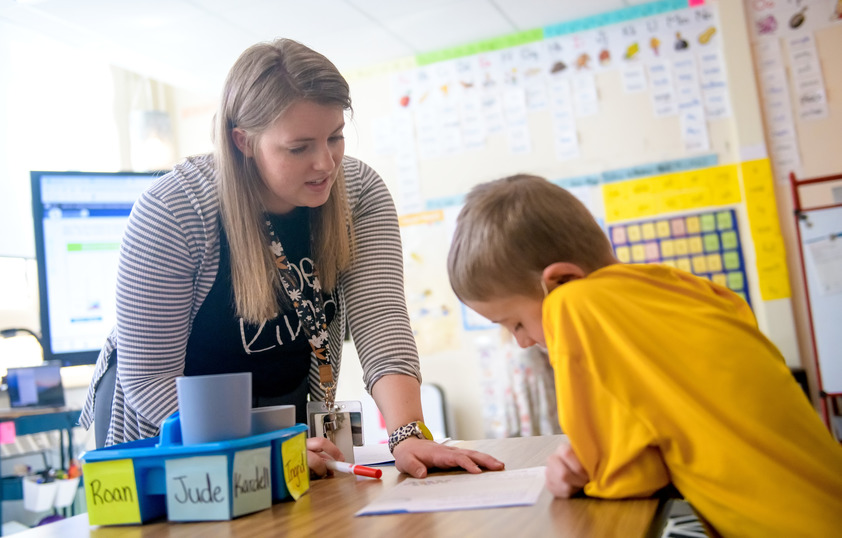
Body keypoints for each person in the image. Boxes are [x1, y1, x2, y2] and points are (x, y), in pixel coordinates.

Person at [79, 38, 503, 480]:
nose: (325, 163)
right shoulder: (175, 210)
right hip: (175, 427)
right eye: (299, 148)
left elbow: (380, 318)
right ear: (243, 141)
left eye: (335, 137)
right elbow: (149, 380)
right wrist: (260, 448)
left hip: (286, 414)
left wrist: (408, 433)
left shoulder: (359, 194)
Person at [446, 174, 842, 536]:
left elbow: (629, 478)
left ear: (561, 281)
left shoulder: (574, 305)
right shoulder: (684, 288)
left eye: (515, 323)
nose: (522, 342)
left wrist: (582, 474)